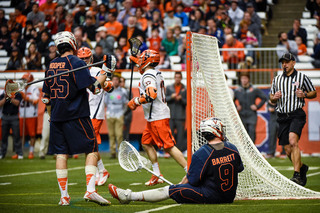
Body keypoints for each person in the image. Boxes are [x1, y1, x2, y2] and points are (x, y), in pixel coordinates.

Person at [42, 31, 115, 206]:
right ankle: (90, 190)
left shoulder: (51, 65)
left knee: (61, 155)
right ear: (72, 43)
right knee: (91, 149)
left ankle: (64, 197)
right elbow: (95, 87)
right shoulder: (76, 62)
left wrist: (52, 117)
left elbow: (46, 98)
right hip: (77, 115)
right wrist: (107, 71)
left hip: (57, 117)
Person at [108, 117, 244, 204]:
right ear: (216, 131)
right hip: (229, 196)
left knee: (171, 190)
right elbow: (238, 169)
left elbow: (194, 181)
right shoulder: (232, 148)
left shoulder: (203, 153)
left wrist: (180, 185)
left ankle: (129, 196)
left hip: (212, 197)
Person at [128, 49, 188, 186]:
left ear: (147, 61)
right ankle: (156, 174)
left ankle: (190, 171)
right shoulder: (155, 72)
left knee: (169, 146)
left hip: (157, 116)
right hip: (153, 117)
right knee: (145, 143)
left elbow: (151, 95)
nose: (140, 61)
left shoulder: (148, 75)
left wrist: (136, 101)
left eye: (142, 59)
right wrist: (136, 60)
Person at [270, 52, 317, 186]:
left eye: (287, 62)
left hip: (296, 114)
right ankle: (302, 168)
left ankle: (297, 175)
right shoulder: (277, 79)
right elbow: (271, 97)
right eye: (282, 62)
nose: (284, 64)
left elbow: (314, 92)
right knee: (288, 149)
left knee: (292, 141)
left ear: (293, 63)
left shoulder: (302, 77)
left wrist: (305, 94)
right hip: (282, 116)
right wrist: (275, 97)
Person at [77, 47, 113, 185]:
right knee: (89, 145)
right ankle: (100, 171)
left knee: (90, 144)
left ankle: (99, 172)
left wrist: (106, 81)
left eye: (86, 58)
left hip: (95, 112)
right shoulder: (77, 73)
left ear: (91, 58)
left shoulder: (97, 71)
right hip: (83, 112)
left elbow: (109, 86)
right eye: (81, 59)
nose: (84, 61)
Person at [234, 72, 267, 143]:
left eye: (245, 78)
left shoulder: (254, 89)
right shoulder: (237, 90)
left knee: (252, 132)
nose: (244, 80)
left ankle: (252, 150)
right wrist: (236, 107)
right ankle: (245, 151)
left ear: (248, 79)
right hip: (242, 114)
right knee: (243, 133)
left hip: (251, 114)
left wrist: (257, 106)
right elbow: (231, 100)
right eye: (242, 78)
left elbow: (264, 98)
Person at [105, 75, 128, 159]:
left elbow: (126, 103)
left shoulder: (123, 91)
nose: (115, 82)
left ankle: (120, 152)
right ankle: (113, 152)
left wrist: (123, 112)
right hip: (110, 113)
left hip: (119, 113)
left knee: (119, 134)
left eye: (116, 80)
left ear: (119, 81)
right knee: (111, 134)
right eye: (114, 80)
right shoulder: (108, 91)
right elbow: (106, 102)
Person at [19, 73, 40, 159]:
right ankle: (20, 152)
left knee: (32, 135)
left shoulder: (34, 89)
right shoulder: (21, 89)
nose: (24, 81)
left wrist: (27, 98)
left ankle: (31, 151)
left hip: (31, 114)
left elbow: (36, 101)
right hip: (22, 114)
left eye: (25, 80)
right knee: (21, 135)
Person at [0, 86, 23, 159]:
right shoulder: (3, 95)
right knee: (4, 136)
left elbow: (17, 103)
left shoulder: (18, 94)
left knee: (16, 136)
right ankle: (2, 153)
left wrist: (10, 98)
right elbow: (0, 104)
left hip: (14, 116)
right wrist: (6, 97)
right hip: (5, 116)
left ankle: (19, 153)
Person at [166, 72, 186, 153]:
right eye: (176, 77)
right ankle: (170, 151)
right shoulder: (169, 88)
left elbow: (187, 102)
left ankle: (180, 151)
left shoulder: (185, 88)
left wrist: (181, 99)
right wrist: (171, 97)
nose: (177, 79)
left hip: (180, 116)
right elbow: (165, 99)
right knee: (170, 135)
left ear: (181, 78)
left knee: (180, 135)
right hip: (171, 115)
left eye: (179, 77)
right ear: (174, 78)